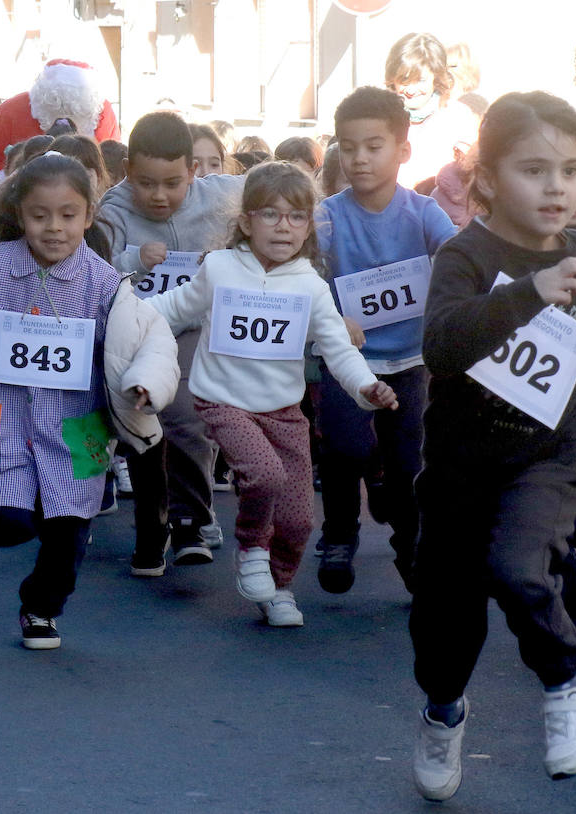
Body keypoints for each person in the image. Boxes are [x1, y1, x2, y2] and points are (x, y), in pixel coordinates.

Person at [407, 91, 576, 801]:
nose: (555, 187)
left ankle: (567, 689)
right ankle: (442, 710)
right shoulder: (463, 255)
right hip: (463, 462)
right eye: (533, 169)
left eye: (569, 170)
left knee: (521, 566)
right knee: (445, 628)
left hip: (549, 453)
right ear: (487, 178)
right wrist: (529, 291)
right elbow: (442, 346)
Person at [0, 153, 179, 648]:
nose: (55, 228)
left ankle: (41, 609)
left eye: (68, 215)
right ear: (19, 215)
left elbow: (147, 339)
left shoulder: (105, 283)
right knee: (6, 526)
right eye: (40, 215)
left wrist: (146, 383)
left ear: (88, 216)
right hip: (1, 417)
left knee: (70, 530)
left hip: (80, 423)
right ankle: (10, 514)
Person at [149, 161, 397, 627]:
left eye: (296, 216)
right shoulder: (220, 268)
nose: (284, 226)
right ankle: (251, 548)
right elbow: (171, 306)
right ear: (246, 222)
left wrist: (368, 387)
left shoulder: (310, 286)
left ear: (309, 226)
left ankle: (280, 589)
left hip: (283, 411)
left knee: (301, 519)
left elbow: (338, 350)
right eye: (269, 214)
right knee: (263, 476)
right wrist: (120, 310)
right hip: (222, 400)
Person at [314, 87, 456, 595]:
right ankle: (337, 536)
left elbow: (460, 254)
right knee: (345, 448)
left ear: (403, 150)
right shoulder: (327, 214)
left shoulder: (422, 212)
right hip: (346, 359)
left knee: (408, 464)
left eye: (373, 146)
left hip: (411, 361)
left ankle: (411, 547)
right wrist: (331, 316)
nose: (359, 158)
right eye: (348, 147)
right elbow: (303, 270)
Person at [97, 110, 243, 576]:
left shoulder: (222, 196)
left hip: (194, 327)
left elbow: (282, 206)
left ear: (195, 172)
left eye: (172, 183)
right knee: (141, 421)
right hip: (136, 330)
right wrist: (133, 259)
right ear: (127, 174)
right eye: (146, 183)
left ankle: (190, 522)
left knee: (184, 415)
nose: (159, 196)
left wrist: (232, 255)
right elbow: (93, 268)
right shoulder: (113, 209)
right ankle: (151, 523)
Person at [0, 59, 119, 176]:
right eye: (56, 100)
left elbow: (111, 160)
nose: (64, 107)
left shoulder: (103, 112)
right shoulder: (12, 110)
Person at [384, 32, 479, 191]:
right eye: (404, 80)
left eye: (421, 80)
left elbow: (474, 174)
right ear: (392, 79)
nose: (411, 90)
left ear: (435, 77)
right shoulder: (379, 118)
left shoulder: (458, 117)